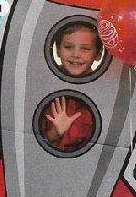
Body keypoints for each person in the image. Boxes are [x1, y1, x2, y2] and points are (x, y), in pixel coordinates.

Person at [42, 22, 102, 151]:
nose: (76, 54)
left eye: (85, 49)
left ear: (98, 54)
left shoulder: (103, 92)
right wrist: (54, 133)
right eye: (68, 47)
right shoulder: (43, 84)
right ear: (57, 50)